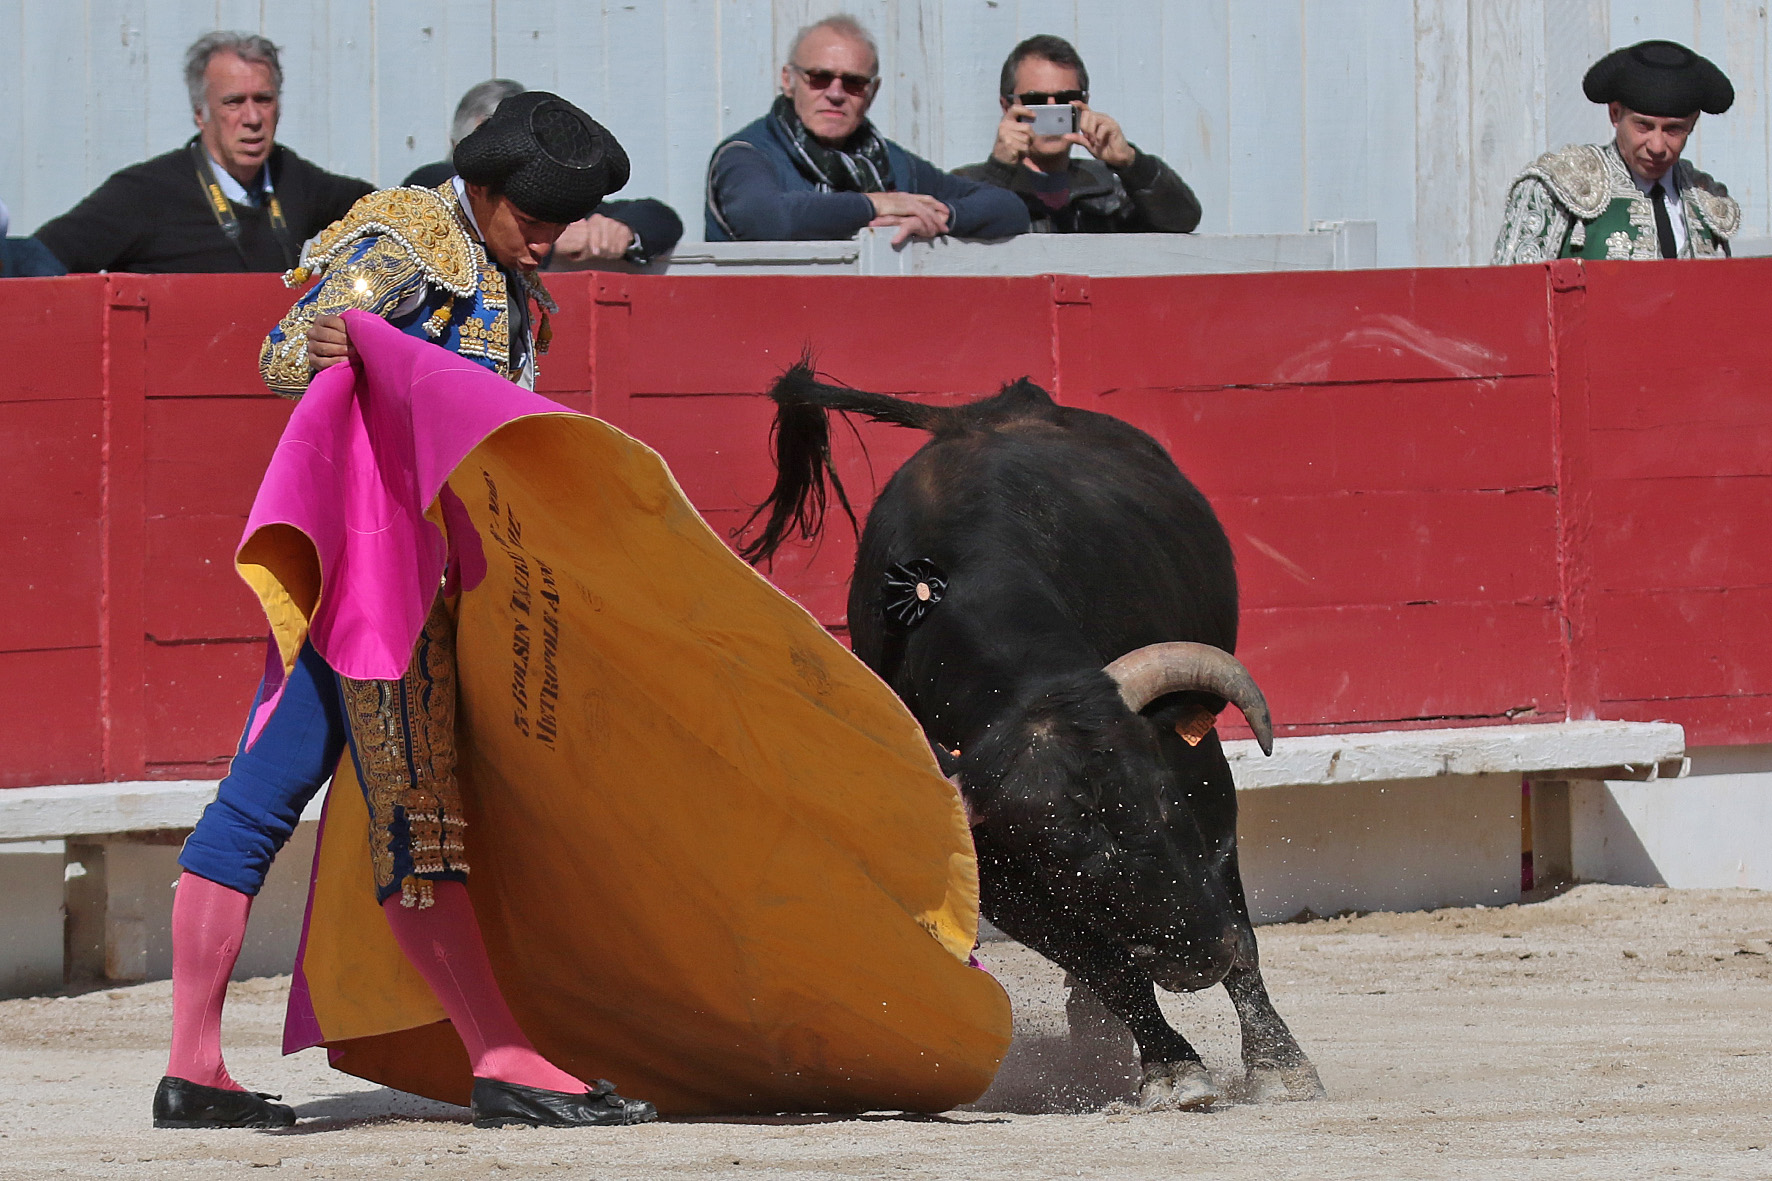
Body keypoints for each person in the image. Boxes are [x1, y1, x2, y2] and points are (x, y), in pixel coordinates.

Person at [157, 91, 659, 1132]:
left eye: (562, 219)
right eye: (536, 213)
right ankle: (502, 1055)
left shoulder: (508, 276)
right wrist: (348, 344)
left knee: (267, 795)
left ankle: (193, 1066)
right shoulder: (408, 242)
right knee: (415, 808)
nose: (550, 236)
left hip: (428, 579)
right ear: (479, 189)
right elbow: (281, 355)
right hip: (377, 575)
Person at [32, 32, 371, 273]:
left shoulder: (293, 176)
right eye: (234, 102)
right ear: (199, 113)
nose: (252, 119)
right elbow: (39, 259)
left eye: (263, 100)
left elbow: (384, 207)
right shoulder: (144, 193)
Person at [704, 14, 1028, 243]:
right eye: (819, 77)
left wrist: (941, 217)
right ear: (788, 80)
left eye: (853, 82)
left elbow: (1008, 208)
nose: (835, 93)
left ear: (872, 92)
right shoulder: (746, 155)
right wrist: (876, 204)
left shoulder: (892, 163)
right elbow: (769, 219)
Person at [1493, 40, 1739, 264]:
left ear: (1692, 124)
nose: (1657, 146)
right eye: (1643, 126)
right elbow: (1511, 298)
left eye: (1673, 130)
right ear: (1615, 114)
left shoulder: (1705, 200)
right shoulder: (1555, 188)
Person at [404, 79, 683, 266]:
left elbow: (660, 217)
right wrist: (554, 242)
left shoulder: (550, 189)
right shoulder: (434, 186)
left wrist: (621, 231)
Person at [952, 35, 1200, 234]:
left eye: (1064, 99)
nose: (1051, 110)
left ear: (1084, 104)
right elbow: (956, 243)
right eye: (1035, 100)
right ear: (1007, 107)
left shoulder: (1112, 188)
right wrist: (999, 170)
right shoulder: (966, 183)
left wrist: (1132, 163)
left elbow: (1183, 219)